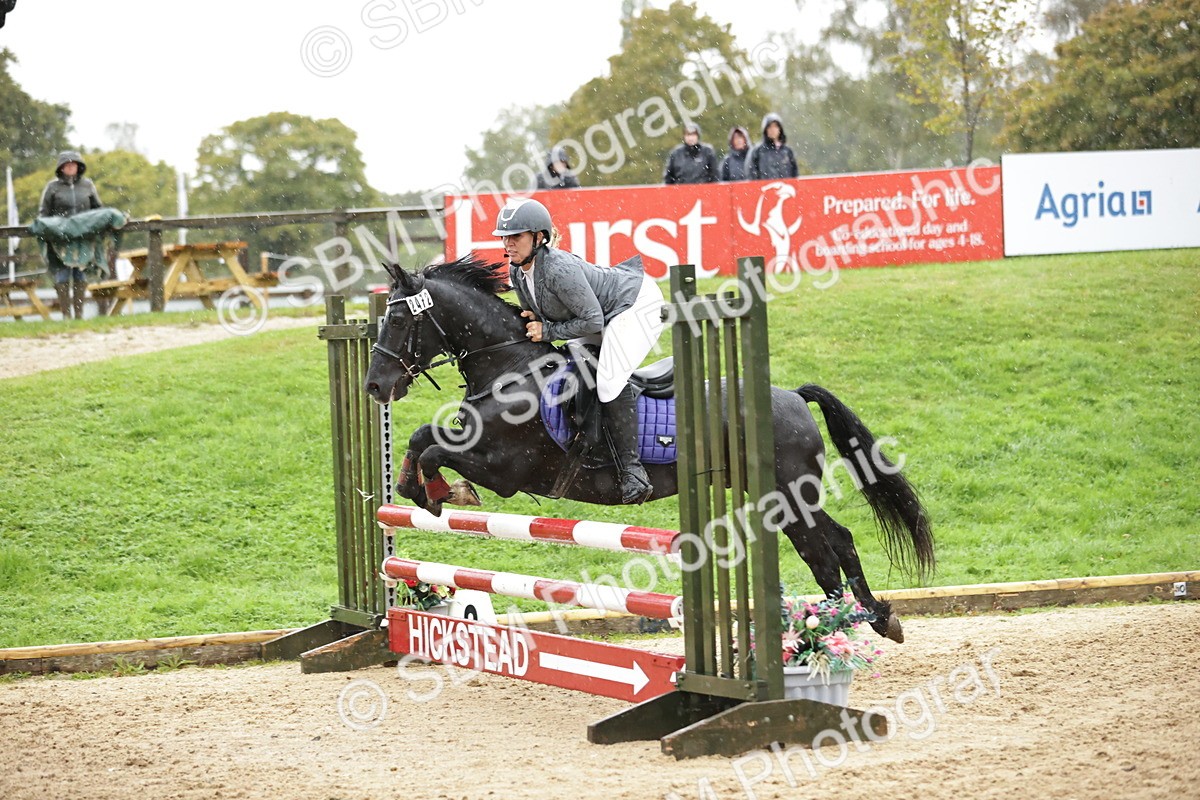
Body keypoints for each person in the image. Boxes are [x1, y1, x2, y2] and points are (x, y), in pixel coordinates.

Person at [492, 197, 664, 504]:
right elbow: (540, 317)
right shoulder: (517, 272)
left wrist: (548, 330)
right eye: (505, 237)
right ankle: (592, 444)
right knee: (581, 368)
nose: (509, 243)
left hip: (634, 304)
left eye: (516, 236)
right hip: (598, 314)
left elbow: (592, 320)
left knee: (609, 380)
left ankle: (633, 471)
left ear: (538, 237)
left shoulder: (559, 268)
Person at [38, 150, 102, 320]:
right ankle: (66, 315)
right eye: (67, 164)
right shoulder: (52, 188)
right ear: (61, 168)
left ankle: (79, 315)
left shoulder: (88, 185)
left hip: (83, 238)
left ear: (79, 167)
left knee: (80, 274)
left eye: (74, 164)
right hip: (61, 238)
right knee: (62, 274)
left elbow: (97, 209)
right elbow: (43, 214)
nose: (71, 167)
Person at [746, 112, 799, 181]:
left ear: (780, 129)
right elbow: (751, 174)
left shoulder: (787, 151)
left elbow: (795, 175)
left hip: (784, 190)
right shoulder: (757, 151)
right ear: (765, 129)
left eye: (775, 126)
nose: (773, 129)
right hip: (764, 190)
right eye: (769, 126)